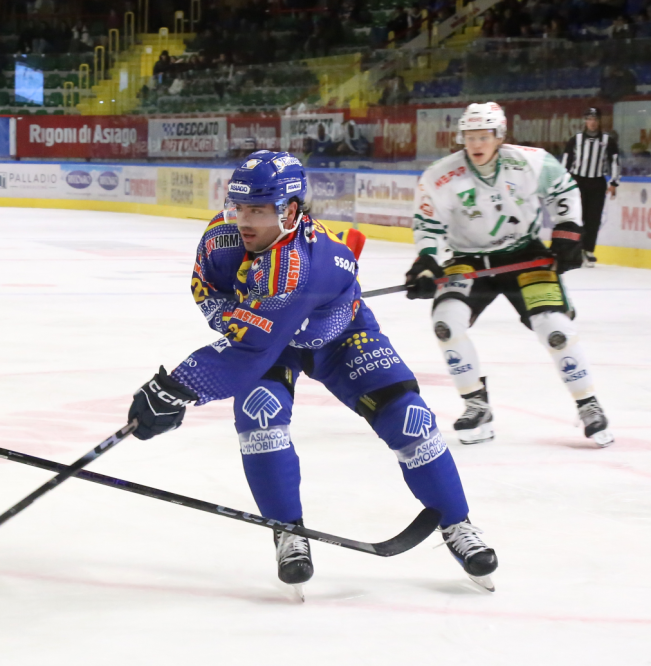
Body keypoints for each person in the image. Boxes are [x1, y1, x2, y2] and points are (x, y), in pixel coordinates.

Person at [126, 150, 498, 594]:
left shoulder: (306, 264)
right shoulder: (218, 239)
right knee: (260, 415)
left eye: (259, 211)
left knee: (410, 419)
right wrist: (250, 317)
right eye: (238, 207)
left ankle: (457, 523)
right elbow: (208, 294)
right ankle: (288, 530)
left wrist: (175, 388)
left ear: (290, 210)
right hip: (269, 339)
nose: (244, 220)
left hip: (339, 338)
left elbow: (247, 349)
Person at [407, 102, 612, 447]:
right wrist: (427, 261)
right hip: (468, 260)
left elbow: (564, 189)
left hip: (525, 255)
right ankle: (476, 404)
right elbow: (428, 223)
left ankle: (589, 404)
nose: (476, 143)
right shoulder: (440, 175)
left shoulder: (532, 162)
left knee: (555, 327)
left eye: (484, 135)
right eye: (469, 136)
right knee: (446, 322)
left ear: (499, 136)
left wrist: (567, 232)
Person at [562, 107, 620, 266]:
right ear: (585, 121)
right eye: (589, 119)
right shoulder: (576, 139)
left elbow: (614, 162)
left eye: (595, 119)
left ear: (599, 121)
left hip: (597, 182)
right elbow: (566, 162)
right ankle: (575, 250)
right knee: (576, 217)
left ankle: (588, 250)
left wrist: (614, 182)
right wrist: (563, 181)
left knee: (593, 219)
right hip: (578, 181)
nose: (592, 122)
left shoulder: (608, 140)